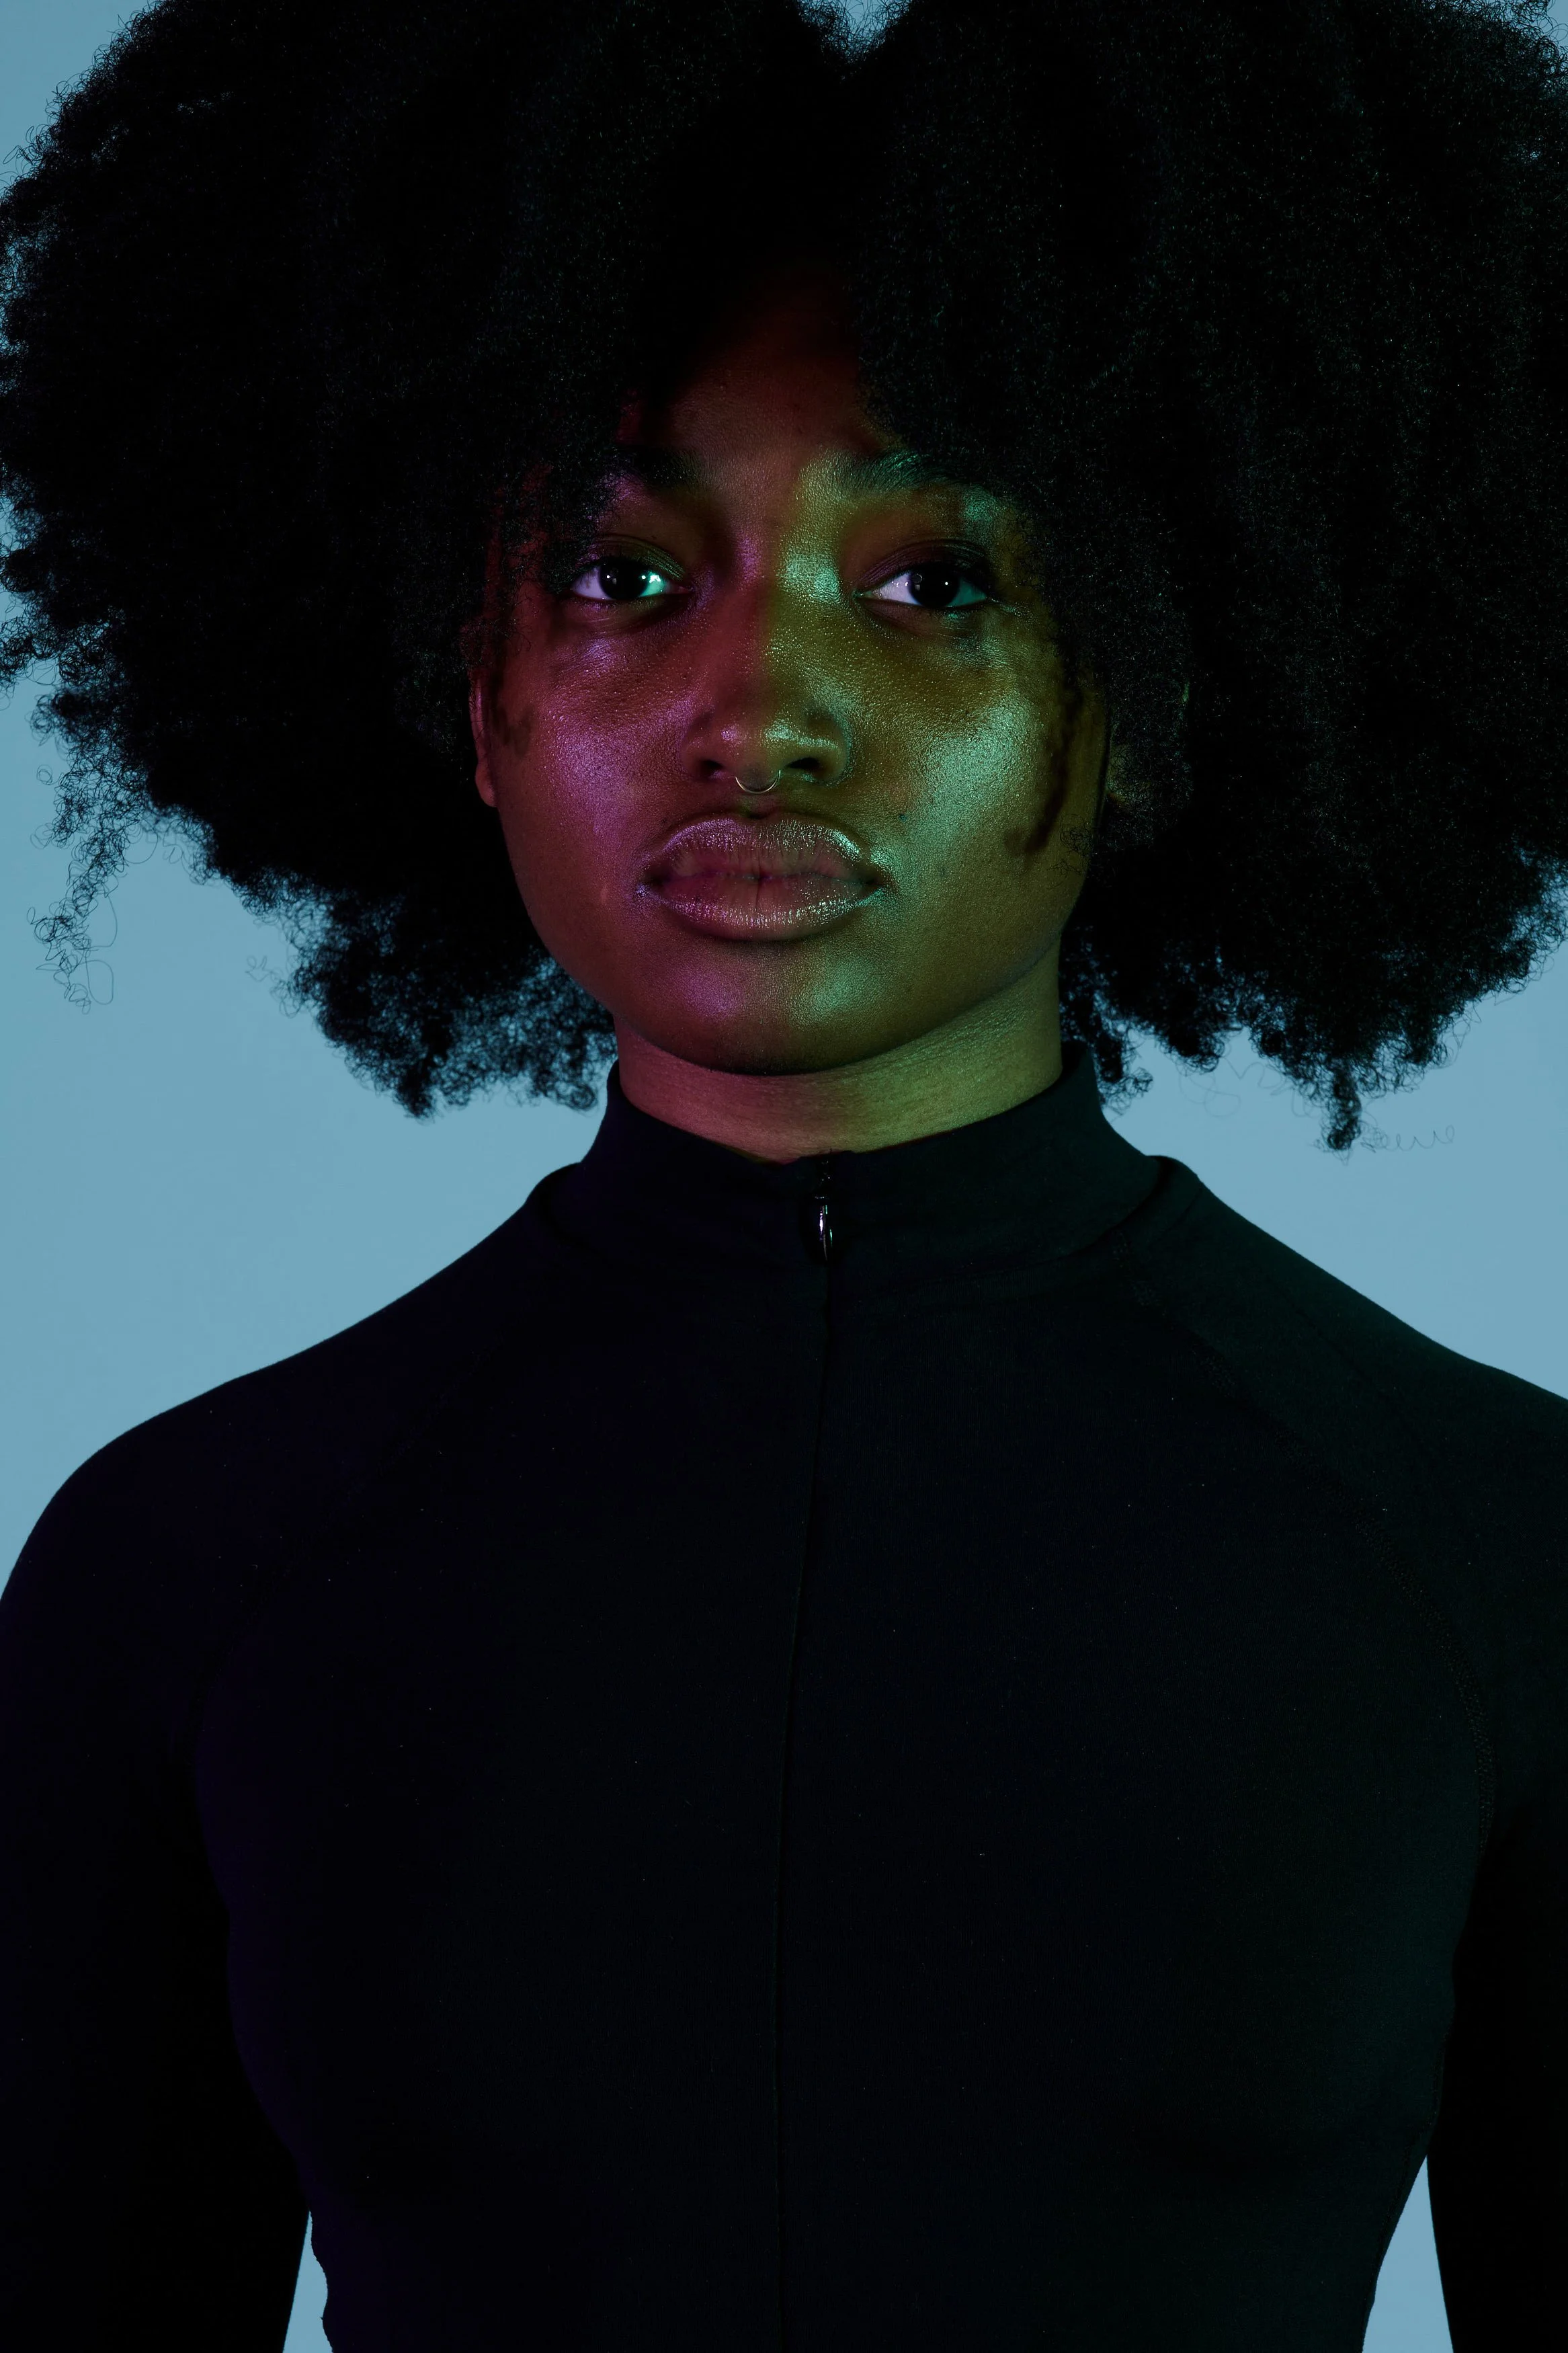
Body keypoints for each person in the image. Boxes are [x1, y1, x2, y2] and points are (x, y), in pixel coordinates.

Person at [1, 0, 1566, 2344]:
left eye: (936, 577)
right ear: (471, 691)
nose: (764, 700)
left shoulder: (1492, 1556)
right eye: (627, 577)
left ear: (1140, 687)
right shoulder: (186, 1568)